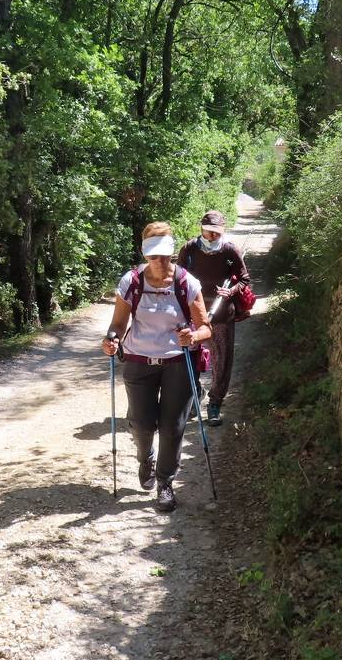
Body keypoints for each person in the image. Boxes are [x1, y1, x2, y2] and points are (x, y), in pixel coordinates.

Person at [101, 222, 212, 512]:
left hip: (178, 360)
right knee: (141, 423)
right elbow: (118, 324)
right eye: (154, 256)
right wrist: (111, 340)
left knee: (172, 426)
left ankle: (165, 483)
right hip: (139, 360)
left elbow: (205, 329)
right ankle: (145, 458)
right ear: (145, 254)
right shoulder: (132, 282)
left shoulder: (187, 283)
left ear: (172, 252)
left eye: (165, 255)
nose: (160, 262)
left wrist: (193, 336)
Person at [178, 210, 252, 427]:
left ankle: (215, 403)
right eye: (208, 232)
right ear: (201, 229)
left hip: (221, 314)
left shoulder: (229, 249)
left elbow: (244, 279)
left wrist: (231, 291)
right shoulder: (189, 248)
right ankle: (194, 394)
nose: (212, 237)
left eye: (216, 233)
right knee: (187, 358)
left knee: (222, 360)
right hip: (193, 312)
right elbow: (178, 277)